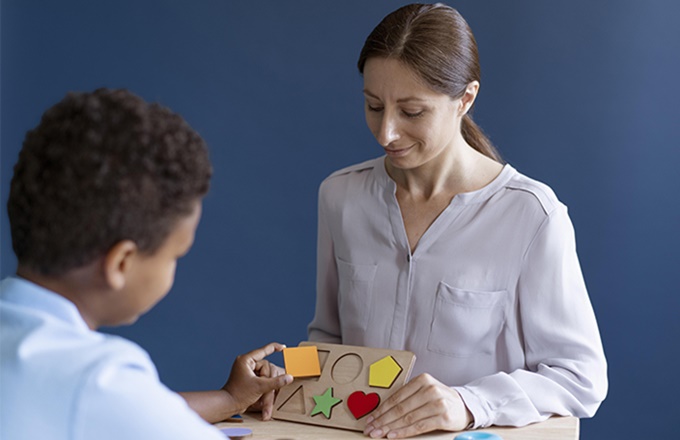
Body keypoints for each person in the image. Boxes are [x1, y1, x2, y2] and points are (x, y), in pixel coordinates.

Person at [307, 3, 607, 438]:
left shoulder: (532, 216)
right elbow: (325, 339)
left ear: (465, 98)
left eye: (411, 112)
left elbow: (581, 377)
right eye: (374, 105)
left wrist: (470, 403)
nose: (386, 131)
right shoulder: (339, 196)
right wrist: (284, 377)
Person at [0, 88, 293, 439]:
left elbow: (132, 411)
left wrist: (230, 398)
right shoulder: (98, 379)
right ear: (121, 263)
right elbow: (112, 404)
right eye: (175, 255)